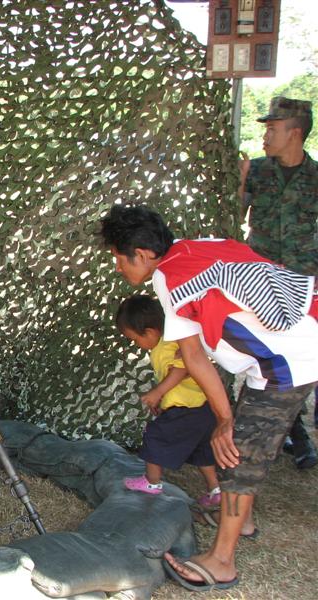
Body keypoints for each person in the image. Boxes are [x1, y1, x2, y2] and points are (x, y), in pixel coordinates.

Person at [99, 203, 318, 592]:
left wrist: (223, 420)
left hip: (289, 360)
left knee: (235, 452)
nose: (118, 267)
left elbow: (194, 357)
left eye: (119, 259)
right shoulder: (197, 246)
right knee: (241, 444)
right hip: (303, 326)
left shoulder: (169, 277)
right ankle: (242, 521)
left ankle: (221, 562)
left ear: (144, 254)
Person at [239, 96, 318, 469]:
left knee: (299, 358)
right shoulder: (254, 171)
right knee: (259, 355)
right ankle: (274, 429)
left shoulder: (316, 179)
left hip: (304, 283)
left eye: (273, 128)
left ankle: (296, 431)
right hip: (261, 281)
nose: (266, 135)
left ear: (296, 133)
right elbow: (234, 214)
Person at [115, 295, 220, 509]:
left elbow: (182, 368)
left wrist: (158, 391)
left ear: (150, 332)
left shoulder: (169, 344)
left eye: (135, 339)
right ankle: (216, 490)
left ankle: (152, 482)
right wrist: (163, 399)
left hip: (187, 409)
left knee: (155, 435)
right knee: (202, 452)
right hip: (202, 408)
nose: (137, 344)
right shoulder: (166, 344)